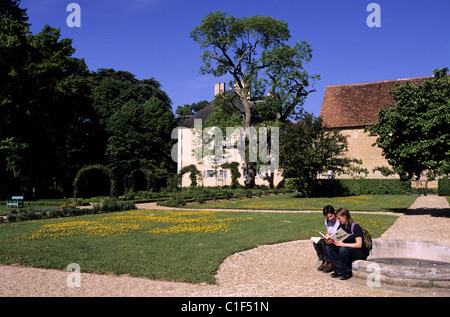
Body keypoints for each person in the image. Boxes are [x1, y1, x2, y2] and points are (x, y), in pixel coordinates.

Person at [325, 208, 369, 280]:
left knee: (343, 249)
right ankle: (338, 270)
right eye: (337, 219)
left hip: (359, 251)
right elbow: (338, 239)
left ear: (345, 216)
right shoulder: (341, 227)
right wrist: (331, 241)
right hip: (347, 250)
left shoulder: (355, 226)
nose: (338, 221)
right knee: (329, 248)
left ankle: (347, 272)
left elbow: (359, 244)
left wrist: (343, 244)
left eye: (339, 218)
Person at [313, 205, 340, 273]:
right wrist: (327, 236)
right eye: (327, 217)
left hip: (337, 239)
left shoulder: (339, 221)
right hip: (330, 239)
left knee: (324, 243)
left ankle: (330, 262)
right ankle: (324, 261)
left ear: (334, 213)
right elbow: (327, 233)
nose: (330, 219)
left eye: (331, 216)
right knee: (317, 242)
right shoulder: (327, 221)